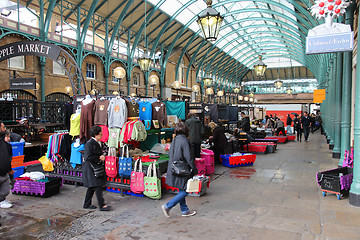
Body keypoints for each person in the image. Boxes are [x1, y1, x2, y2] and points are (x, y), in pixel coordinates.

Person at [162, 122, 198, 217]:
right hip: (182, 170)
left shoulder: (175, 140)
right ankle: (168, 206)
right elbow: (188, 157)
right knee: (185, 190)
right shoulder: (184, 141)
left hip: (174, 169)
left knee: (181, 190)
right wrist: (194, 169)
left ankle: (184, 210)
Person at [82, 126, 110, 211]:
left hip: (95, 167)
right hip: (91, 168)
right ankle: (101, 205)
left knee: (92, 186)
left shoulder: (98, 143)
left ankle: (86, 204)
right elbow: (87, 157)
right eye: (100, 134)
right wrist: (99, 158)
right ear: (96, 135)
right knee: (97, 185)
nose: (101, 136)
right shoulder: (89, 144)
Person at [0, 130, 13, 209]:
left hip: (4, 171)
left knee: (5, 189)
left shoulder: (6, 145)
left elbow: (7, 159)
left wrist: (9, 168)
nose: (9, 138)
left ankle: (2, 199)